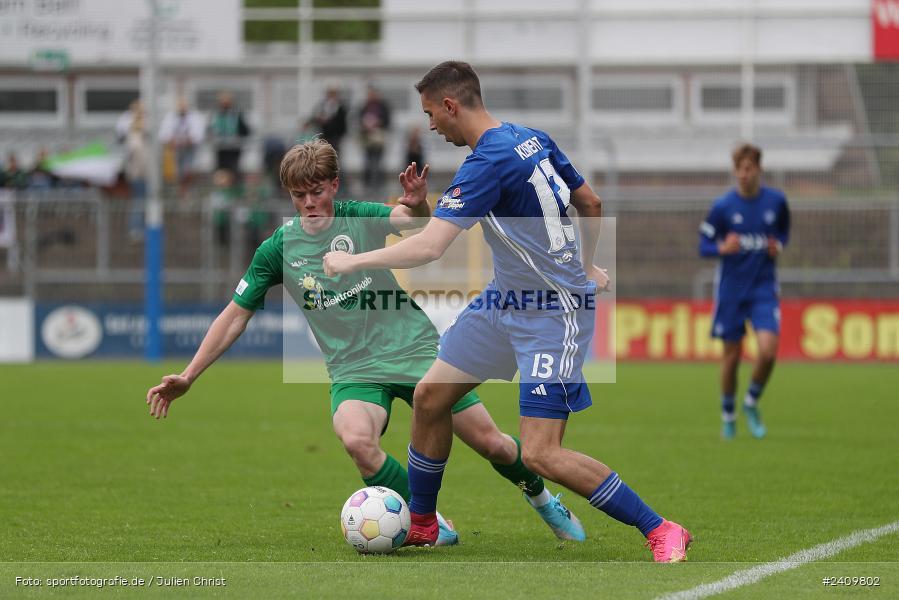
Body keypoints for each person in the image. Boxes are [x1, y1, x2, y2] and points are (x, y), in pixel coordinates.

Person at [323, 61, 691, 562]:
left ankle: (662, 528)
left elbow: (430, 247)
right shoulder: (530, 137)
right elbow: (591, 201)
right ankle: (424, 523)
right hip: (504, 302)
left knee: (540, 451)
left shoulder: (486, 164)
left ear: (451, 106)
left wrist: (353, 260)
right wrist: (584, 264)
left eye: (432, 114)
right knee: (430, 396)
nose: (431, 125)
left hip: (552, 314)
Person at [146, 138, 586, 547]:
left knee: (493, 443)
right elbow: (233, 316)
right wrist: (188, 375)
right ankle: (427, 520)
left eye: (316, 191)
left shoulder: (358, 217)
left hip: (415, 352)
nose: (309, 203)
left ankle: (542, 497)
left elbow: (408, 220)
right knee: (357, 441)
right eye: (298, 195)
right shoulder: (278, 249)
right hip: (353, 370)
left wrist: (415, 203)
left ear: (333, 185)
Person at [699, 143, 790, 440]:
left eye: (748, 168)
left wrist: (780, 245)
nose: (743, 174)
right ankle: (728, 416)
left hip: (763, 288)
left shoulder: (776, 202)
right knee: (732, 357)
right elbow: (703, 245)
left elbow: (784, 232)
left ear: (758, 169)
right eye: (739, 168)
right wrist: (721, 248)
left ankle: (750, 402)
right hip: (732, 291)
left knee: (767, 351)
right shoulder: (724, 207)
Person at [159, 97, 205, 198]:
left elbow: (198, 136)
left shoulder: (194, 117)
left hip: (190, 151)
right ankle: (177, 193)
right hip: (174, 152)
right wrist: (174, 141)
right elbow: (163, 135)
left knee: (188, 171)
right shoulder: (170, 117)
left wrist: (186, 141)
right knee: (176, 174)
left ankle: (188, 193)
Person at [209, 91, 251, 182]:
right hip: (220, 148)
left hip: (234, 148)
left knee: (234, 170)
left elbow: (245, 130)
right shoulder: (216, 114)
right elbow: (210, 129)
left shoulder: (237, 114)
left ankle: (235, 188)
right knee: (221, 171)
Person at [358, 86, 391, 195]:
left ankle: (379, 185)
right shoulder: (364, 106)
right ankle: (367, 185)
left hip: (379, 136)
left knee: (378, 162)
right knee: (367, 162)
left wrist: (378, 123)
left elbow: (388, 121)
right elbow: (358, 120)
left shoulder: (382, 106)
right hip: (367, 137)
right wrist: (365, 125)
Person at [308, 85, 348, 156]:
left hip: (336, 136)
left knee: (335, 155)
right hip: (324, 135)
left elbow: (343, 122)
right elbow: (314, 118)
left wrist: (340, 135)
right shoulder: (322, 105)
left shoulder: (340, 107)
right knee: (324, 155)